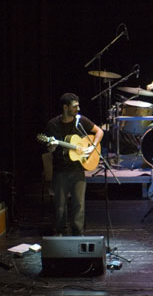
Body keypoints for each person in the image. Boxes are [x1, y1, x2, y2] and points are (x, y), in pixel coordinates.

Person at [45, 93, 104, 236]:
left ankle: (78, 233)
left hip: (78, 169)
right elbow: (50, 149)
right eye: (74, 106)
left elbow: (99, 131)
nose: (78, 109)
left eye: (78, 105)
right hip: (61, 170)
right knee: (60, 206)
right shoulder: (53, 124)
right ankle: (60, 232)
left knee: (79, 204)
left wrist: (93, 146)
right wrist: (52, 146)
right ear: (65, 108)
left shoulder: (80, 121)